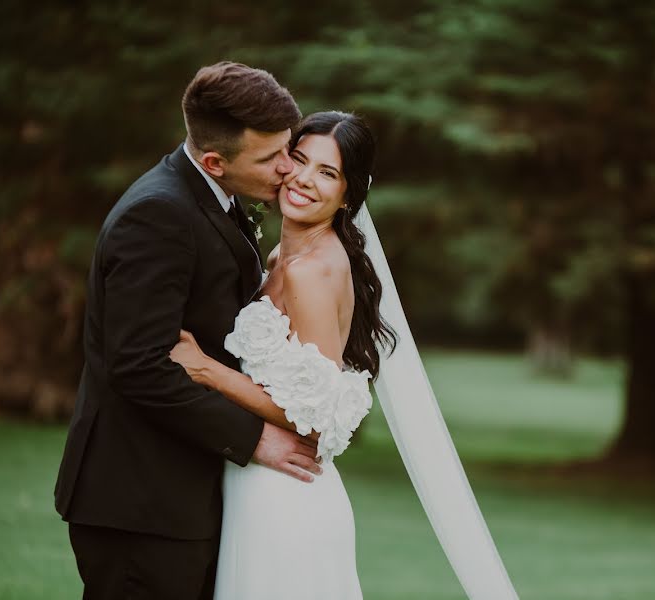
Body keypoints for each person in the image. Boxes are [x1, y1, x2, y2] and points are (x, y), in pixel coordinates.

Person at [53, 62, 324, 600]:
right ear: (214, 162)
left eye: (288, 148)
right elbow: (139, 364)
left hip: (179, 498)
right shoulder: (158, 215)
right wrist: (255, 438)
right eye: (271, 158)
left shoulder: (212, 200)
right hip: (140, 505)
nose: (288, 170)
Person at [170, 111, 396, 599]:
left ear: (348, 196)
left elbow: (314, 418)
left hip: (287, 497)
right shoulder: (280, 259)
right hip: (256, 486)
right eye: (299, 159)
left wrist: (207, 370)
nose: (304, 180)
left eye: (327, 173)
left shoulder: (311, 272)